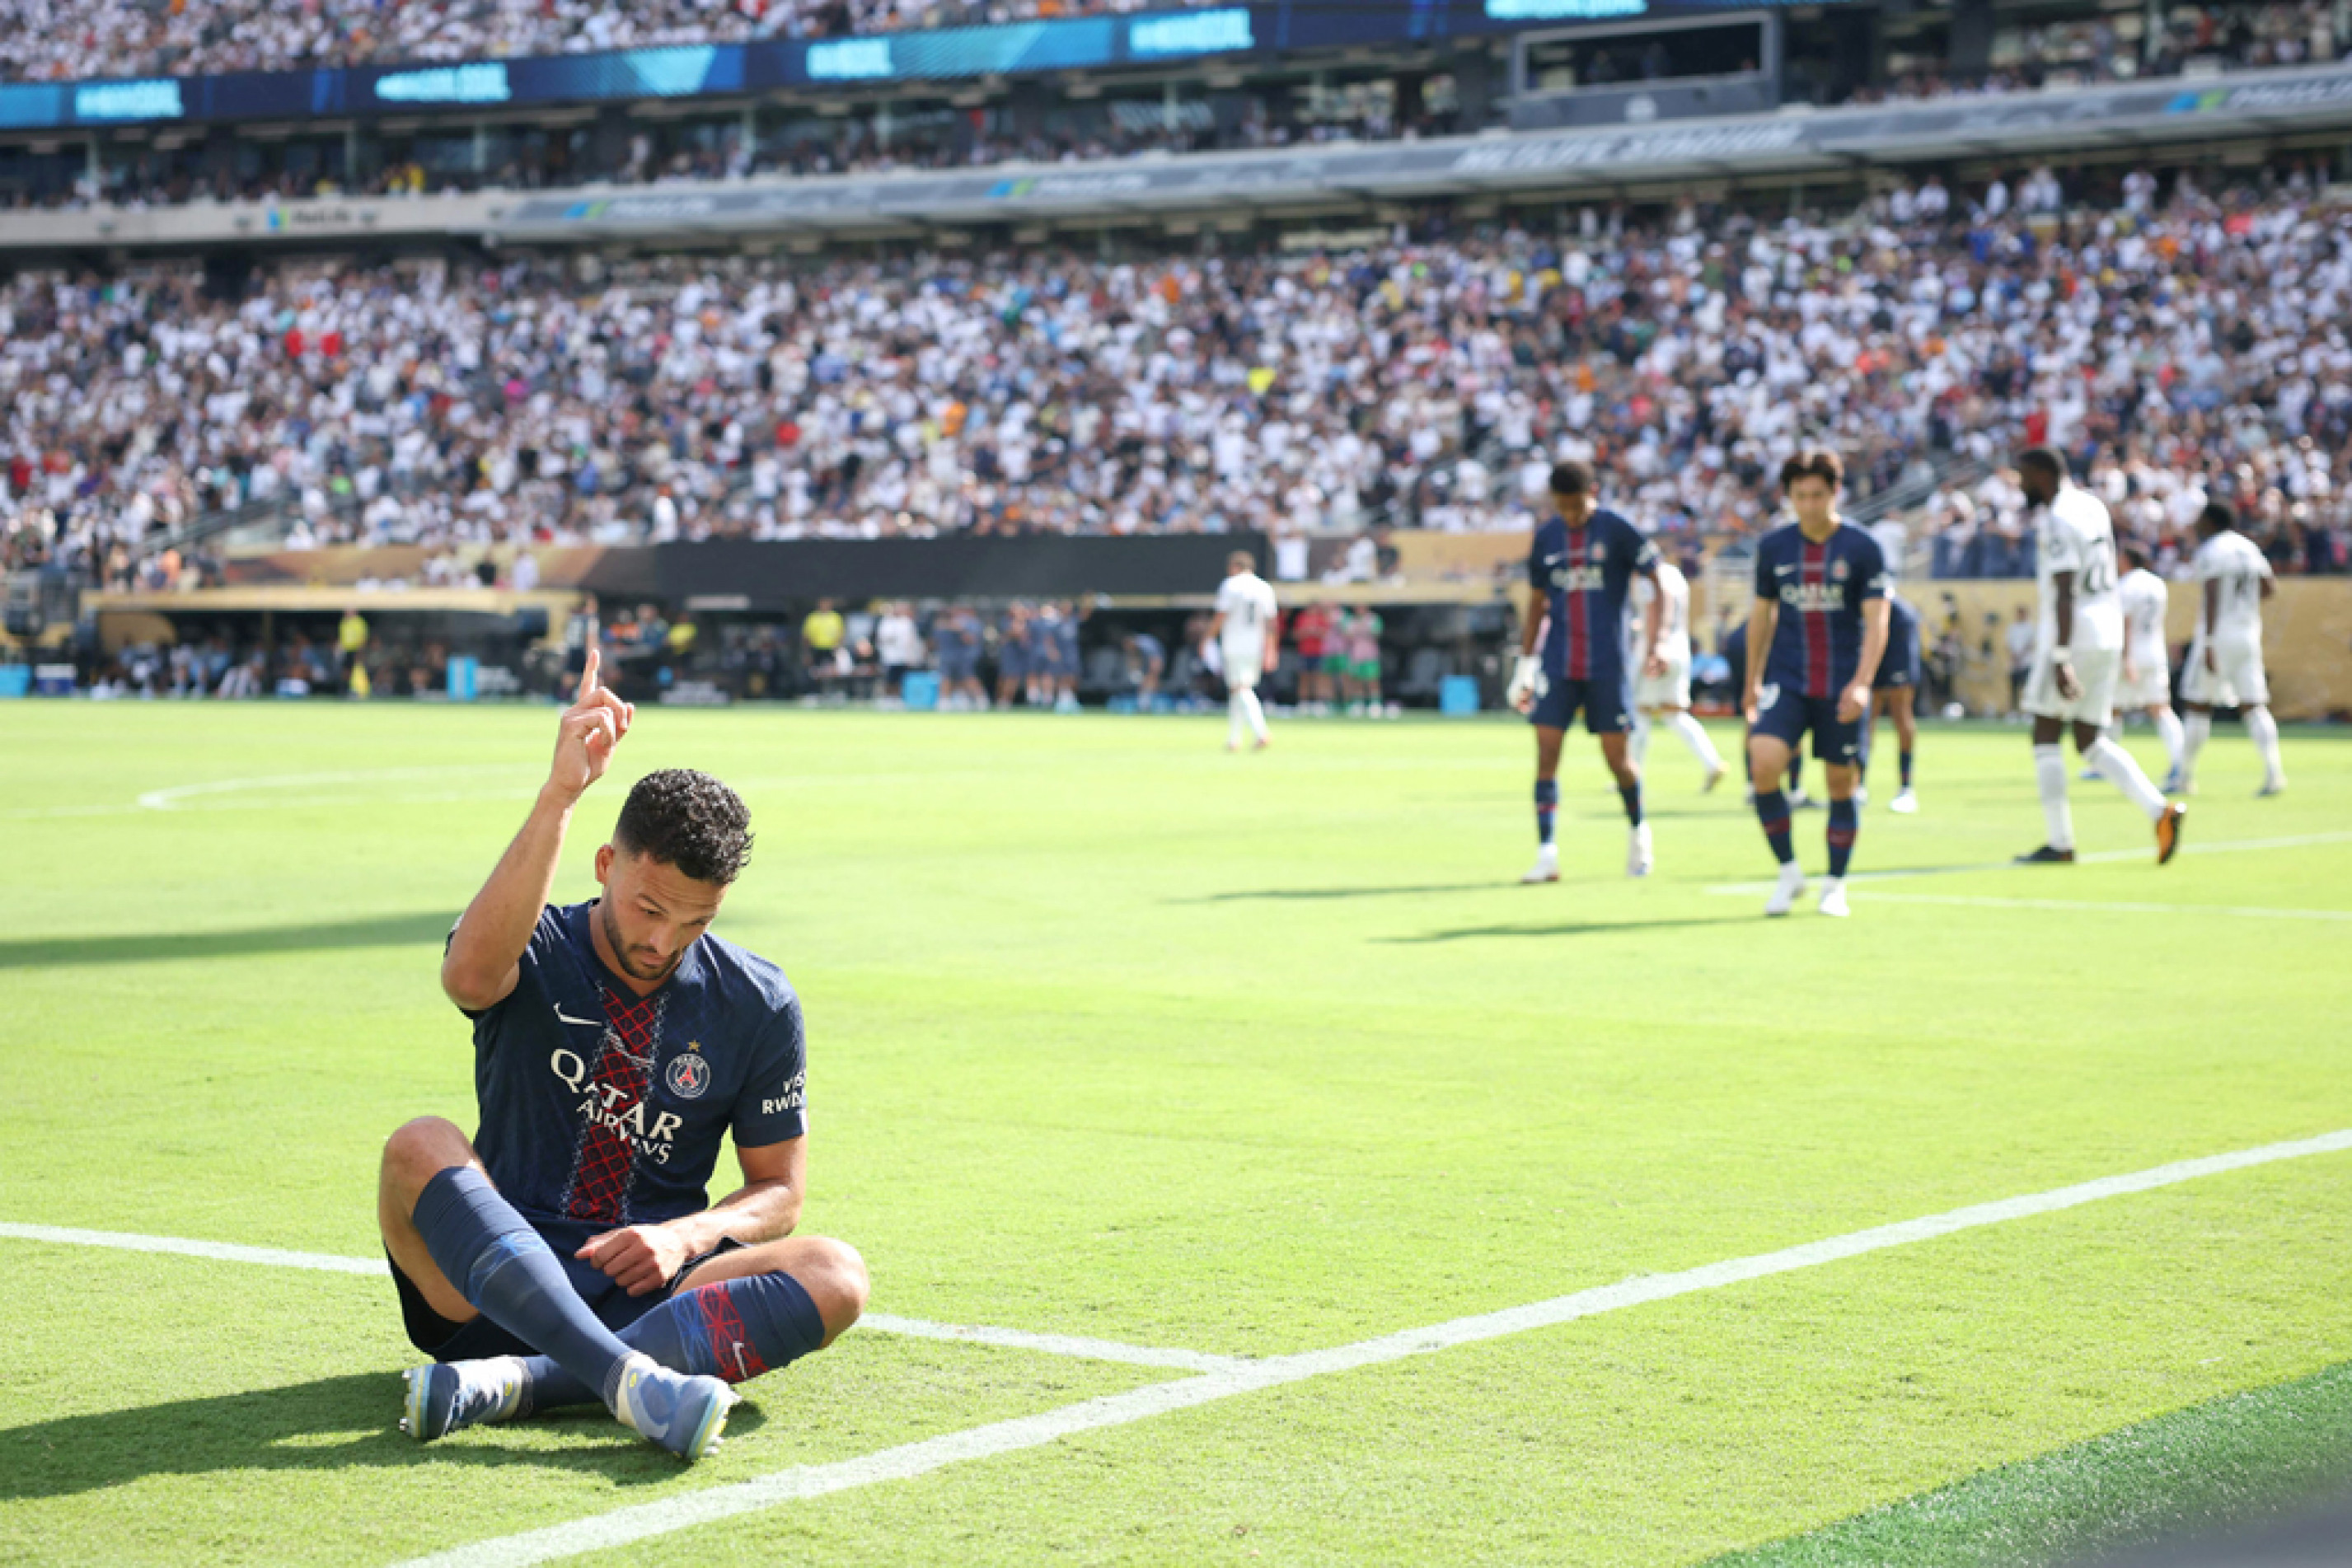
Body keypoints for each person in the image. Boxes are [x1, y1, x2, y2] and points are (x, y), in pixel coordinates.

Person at [378, 649, 868, 1461]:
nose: (660, 940)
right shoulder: (535, 940)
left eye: (693, 922)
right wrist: (560, 793)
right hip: (495, 1277)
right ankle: (621, 1378)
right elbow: (465, 976)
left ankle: (522, 1383)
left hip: (651, 1289)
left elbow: (780, 1189)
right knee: (417, 1144)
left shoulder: (758, 999)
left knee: (837, 1274)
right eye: (647, 908)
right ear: (607, 866)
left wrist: (685, 1235)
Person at [2009, 448, 2186, 866]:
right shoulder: (2092, 506)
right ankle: (2159, 810)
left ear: (2041, 474)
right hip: (2106, 626)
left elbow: (2066, 587)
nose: (2021, 486)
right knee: (2090, 739)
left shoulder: (2057, 516)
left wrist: (2060, 655)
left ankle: (2060, 842)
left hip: (2075, 631)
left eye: (2024, 477)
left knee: (2045, 732)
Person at [1741, 449, 1889, 918]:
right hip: (1788, 679)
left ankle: (1835, 884)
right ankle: (1788, 873)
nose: (1808, 505)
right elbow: (1762, 616)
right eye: (1799, 496)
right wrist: (1751, 681)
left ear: (1835, 493)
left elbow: (1877, 619)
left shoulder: (1863, 548)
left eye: (1817, 495)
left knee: (1840, 783)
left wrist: (1863, 683)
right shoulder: (1774, 547)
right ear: (1788, 497)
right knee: (1763, 762)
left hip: (1841, 684)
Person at [1505, 460, 1664, 883]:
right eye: (1563, 507)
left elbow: (1658, 577)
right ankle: (1547, 853)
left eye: (1576, 506)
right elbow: (1537, 601)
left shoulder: (1616, 530)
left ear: (1592, 492)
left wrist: (1658, 640)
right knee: (1546, 755)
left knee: (1618, 760)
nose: (1570, 515)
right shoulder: (1547, 537)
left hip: (1607, 665)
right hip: (1558, 663)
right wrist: (1525, 663)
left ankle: (1638, 831)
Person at [2177, 500, 2286, 796]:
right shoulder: (2249, 548)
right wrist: (2244, 604)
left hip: (2219, 635)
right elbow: (2269, 588)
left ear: (2211, 521)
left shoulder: (2212, 550)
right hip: (2248, 632)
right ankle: (2274, 772)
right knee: (2253, 704)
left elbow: (2212, 594)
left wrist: (2210, 641)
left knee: (2198, 704)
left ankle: (2184, 776)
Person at [2088, 542, 2187, 791]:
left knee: (2112, 708)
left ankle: (2103, 764)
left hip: (2131, 653)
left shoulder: (2124, 586)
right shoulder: (2158, 584)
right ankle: (2181, 764)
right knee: (2161, 709)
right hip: (2154, 652)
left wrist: (2126, 658)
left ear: (2127, 560)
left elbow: (2126, 624)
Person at [1627, 558, 1726, 792]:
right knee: (1674, 713)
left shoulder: (1649, 579)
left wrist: (1654, 644)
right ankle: (1712, 762)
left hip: (1655, 648)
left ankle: (1632, 771)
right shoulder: (1676, 575)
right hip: (1679, 648)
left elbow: (1658, 608)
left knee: (1641, 711)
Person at [1722, 619, 1808, 809]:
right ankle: (1794, 790)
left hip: (1741, 639)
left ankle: (1753, 787)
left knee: (1753, 715)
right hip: (1768, 642)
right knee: (1792, 710)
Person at [1206, 550, 1279, 751]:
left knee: (1242, 689)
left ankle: (1261, 731)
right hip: (1255, 645)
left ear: (1234, 567)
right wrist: (1271, 648)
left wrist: (1208, 639)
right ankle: (1234, 739)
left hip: (1235, 643)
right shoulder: (1264, 587)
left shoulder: (1231, 585)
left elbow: (1221, 615)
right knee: (1237, 690)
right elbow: (1271, 622)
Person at [1864, 592, 1922, 814]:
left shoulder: (1900, 612)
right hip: (1873, 651)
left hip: (1897, 651)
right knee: (1866, 719)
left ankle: (1906, 788)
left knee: (1901, 715)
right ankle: (1859, 785)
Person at [1344, 604, 1384, 715]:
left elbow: (1377, 633)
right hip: (1356, 655)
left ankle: (1375, 703)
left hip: (1370, 654)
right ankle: (1358, 703)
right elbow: (1347, 636)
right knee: (1357, 680)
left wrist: (1364, 630)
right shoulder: (1350, 620)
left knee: (1372, 679)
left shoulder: (1373, 619)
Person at [1125, 631, 1166, 709]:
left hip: (1156, 661)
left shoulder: (1147, 644)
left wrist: (1151, 676)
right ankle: (1143, 705)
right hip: (1147, 664)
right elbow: (1134, 662)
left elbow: (1156, 663)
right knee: (1142, 683)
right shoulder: (1136, 646)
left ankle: (1150, 705)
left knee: (1151, 681)